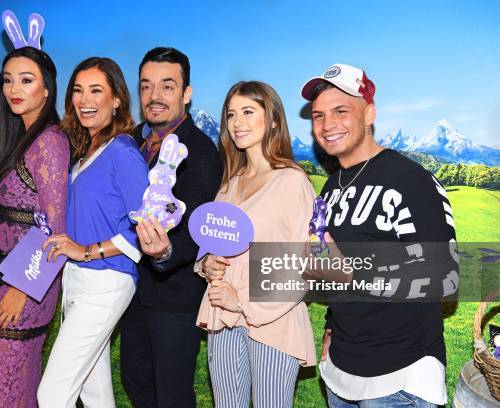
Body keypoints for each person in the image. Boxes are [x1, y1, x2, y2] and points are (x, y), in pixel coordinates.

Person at [300, 63, 458, 407]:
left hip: (399, 380)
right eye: (318, 115)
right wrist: (330, 327)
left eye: (341, 111)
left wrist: (353, 272)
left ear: (368, 113)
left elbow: (445, 277)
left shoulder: (410, 180)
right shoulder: (330, 188)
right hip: (342, 371)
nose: (327, 125)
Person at [196, 81, 317, 408]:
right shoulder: (229, 183)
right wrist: (206, 263)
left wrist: (243, 302)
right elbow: (209, 246)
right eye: (231, 114)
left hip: (274, 323)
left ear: (273, 120)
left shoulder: (293, 182)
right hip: (222, 317)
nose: (237, 122)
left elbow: (306, 268)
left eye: (248, 112)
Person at [36, 57, 149, 408]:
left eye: (96, 90)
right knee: (93, 391)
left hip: (106, 282)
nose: (85, 99)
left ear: (116, 100)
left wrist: (85, 251)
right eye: (78, 90)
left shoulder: (123, 151)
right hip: (78, 281)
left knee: (52, 394)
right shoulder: (86, 152)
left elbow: (145, 229)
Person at [0, 46, 70, 407]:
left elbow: (55, 227)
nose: (15, 88)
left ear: (47, 90)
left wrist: (23, 289)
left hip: (29, 278)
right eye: (8, 80)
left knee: (4, 377)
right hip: (9, 273)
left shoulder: (50, 143)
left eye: (27, 80)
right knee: (3, 375)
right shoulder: (23, 136)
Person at [119, 47, 222, 408]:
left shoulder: (201, 152)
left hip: (174, 298)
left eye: (167, 85)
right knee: (136, 383)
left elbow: (197, 229)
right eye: (146, 86)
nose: (155, 96)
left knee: (172, 395)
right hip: (131, 291)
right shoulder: (130, 141)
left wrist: (164, 253)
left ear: (186, 93)